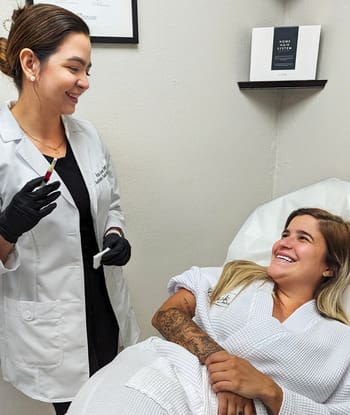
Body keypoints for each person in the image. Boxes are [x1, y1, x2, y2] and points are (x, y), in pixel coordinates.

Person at [67, 207, 350, 415]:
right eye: (285, 233)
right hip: (160, 380)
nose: (284, 242)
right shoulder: (231, 277)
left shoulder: (340, 341)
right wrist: (225, 368)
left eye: (303, 238)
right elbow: (167, 315)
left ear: (329, 267)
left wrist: (269, 391)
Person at [0, 4, 139, 414]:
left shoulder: (87, 135)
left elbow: (110, 202)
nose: (84, 82)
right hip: (51, 332)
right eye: (74, 68)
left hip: (106, 313)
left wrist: (115, 235)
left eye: (88, 71)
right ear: (31, 64)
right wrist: (7, 228)